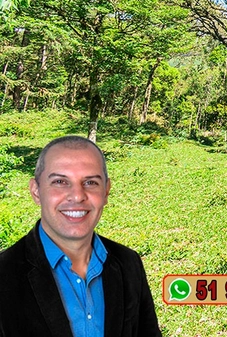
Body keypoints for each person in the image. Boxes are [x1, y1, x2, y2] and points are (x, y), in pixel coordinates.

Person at [0, 136, 162, 337]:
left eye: (90, 182)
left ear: (106, 191)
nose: (77, 196)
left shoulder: (129, 263)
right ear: (36, 191)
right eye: (60, 182)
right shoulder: (4, 274)